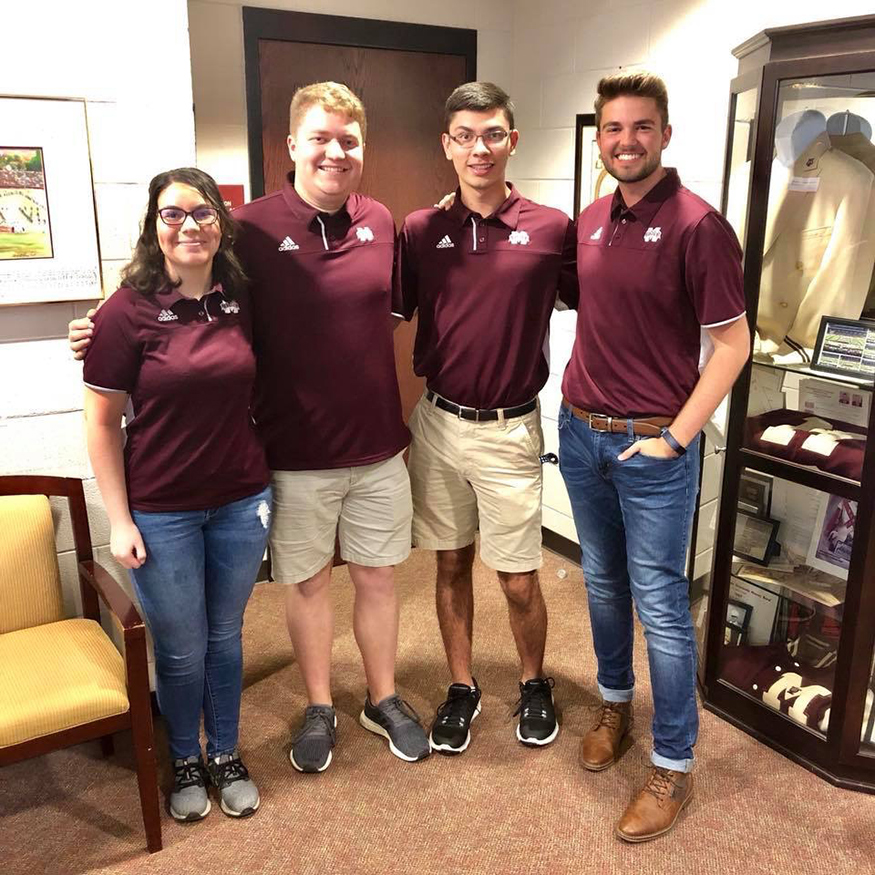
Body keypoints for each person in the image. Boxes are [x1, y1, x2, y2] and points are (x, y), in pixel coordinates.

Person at [73, 83, 430, 772]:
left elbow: (382, 313)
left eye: (348, 140)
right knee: (307, 584)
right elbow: (173, 266)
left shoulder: (380, 220)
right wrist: (98, 318)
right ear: (291, 145)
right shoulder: (252, 228)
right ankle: (320, 703)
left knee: (381, 577)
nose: (335, 151)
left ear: (363, 149)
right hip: (292, 452)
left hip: (380, 446)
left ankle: (382, 697)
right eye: (320, 138)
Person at [558, 71, 749, 841]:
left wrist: (675, 436)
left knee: (663, 606)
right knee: (601, 584)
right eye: (611, 128)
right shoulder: (591, 218)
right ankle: (615, 703)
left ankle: (672, 761)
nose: (625, 141)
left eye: (640, 127)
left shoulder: (698, 225)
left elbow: (732, 344)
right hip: (580, 432)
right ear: (597, 137)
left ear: (664, 134)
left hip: (653, 446)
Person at [82, 167, 271, 822]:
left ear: (221, 222)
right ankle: (183, 755)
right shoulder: (124, 310)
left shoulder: (243, 297)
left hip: (241, 500)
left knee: (225, 635)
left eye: (202, 212)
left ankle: (224, 751)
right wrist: (119, 518)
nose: (188, 225)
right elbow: (102, 420)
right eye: (172, 214)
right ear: (153, 227)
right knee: (182, 644)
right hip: (161, 510)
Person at [395, 82, 578, 754]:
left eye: (492, 134)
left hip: (510, 428)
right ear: (447, 145)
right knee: (448, 563)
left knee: (518, 576)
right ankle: (461, 685)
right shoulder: (420, 229)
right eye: (465, 136)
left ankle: (533, 682)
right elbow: (363, 310)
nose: (479, 148)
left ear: (512, 140)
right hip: (438, 423)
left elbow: (610, 299)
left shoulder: (552, 229)